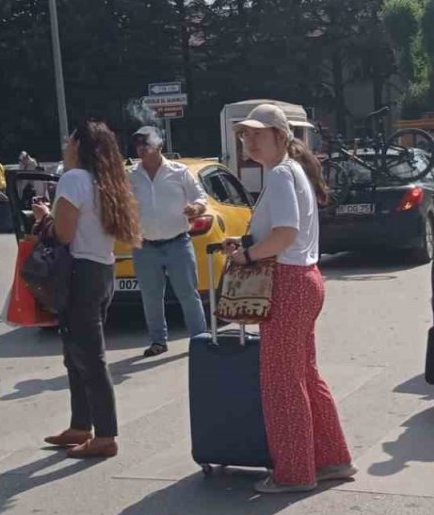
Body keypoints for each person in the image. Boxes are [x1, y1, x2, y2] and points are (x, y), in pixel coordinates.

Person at [225, 103, 354, 494]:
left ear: (281, 136)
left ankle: (295, 472)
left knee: (281, 381)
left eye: (258, 134)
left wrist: (246, 255)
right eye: (245, 134)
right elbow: (285, 233)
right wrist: (249, 244)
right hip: (304, 278)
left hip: (288, 281)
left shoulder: (280, 175)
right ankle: (332, 460)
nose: (250, 140)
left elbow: (283, 234)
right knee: (304, 375)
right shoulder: (291, 171)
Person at [36, 119, 142, 460]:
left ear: (78, 146)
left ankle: (105, 434)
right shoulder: (106, 180)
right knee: (76, 352)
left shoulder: (74, 179)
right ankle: (81, 424)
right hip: (102, 270)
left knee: (89, 357)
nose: (65, 146)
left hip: (80, 272)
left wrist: (43, 218)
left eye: (69, 140)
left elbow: (64, 234)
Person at [128, 125, 209, 357]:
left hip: (178, 243)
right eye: (138, 145)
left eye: (146, 144)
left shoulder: (179, 172)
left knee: (188, 294)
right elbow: (121, 202)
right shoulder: (131, 175)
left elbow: (200, 197)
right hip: (145, 246)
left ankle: (199, 339)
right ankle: (158, 341)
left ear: (159, 145)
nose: (141, 149)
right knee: (151, 297)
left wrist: (196, 208)